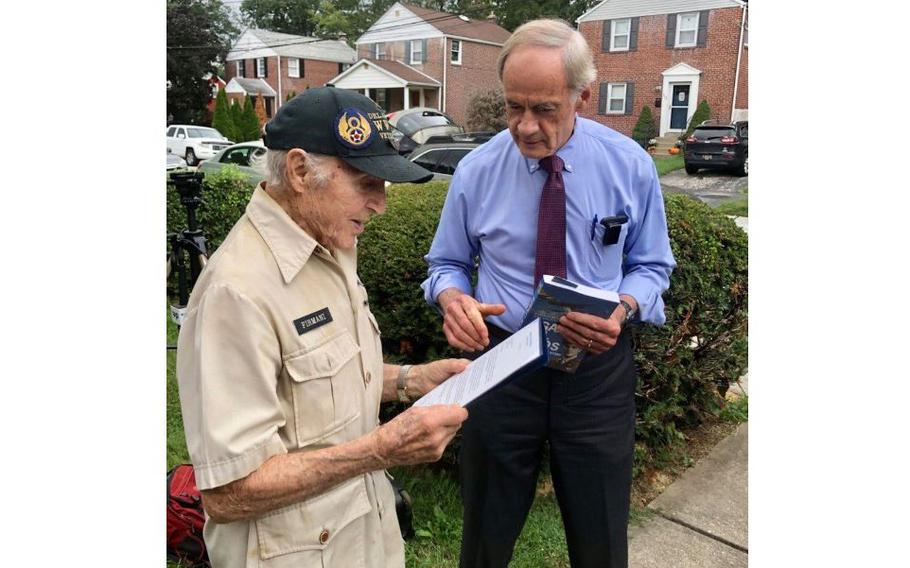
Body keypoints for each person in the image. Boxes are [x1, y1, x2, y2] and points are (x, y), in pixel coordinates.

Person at [176, 87, 470, 568]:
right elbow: (228, 494)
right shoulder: (237, 292)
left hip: (361, 538)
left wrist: (409, 380)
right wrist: (381, 450)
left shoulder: (329, 245)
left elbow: (318, 379)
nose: (380, 204)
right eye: (365, 182)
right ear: (298, 171)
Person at [421, 19, 676, 568]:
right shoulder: (477, 170)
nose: (526, 127)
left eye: (544, 109)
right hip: (502, 363)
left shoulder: (629, 164)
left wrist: (624, 308)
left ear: (582, 96)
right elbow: (445, 263)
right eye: (514, 107)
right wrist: (451, 298)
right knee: (486, 529)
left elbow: (651, 267)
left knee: (601, 533)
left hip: (597, 371)